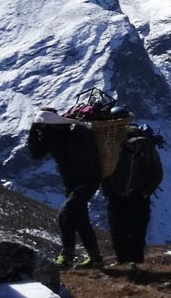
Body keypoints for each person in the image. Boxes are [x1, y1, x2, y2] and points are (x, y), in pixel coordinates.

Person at [26, 106, 104, 268]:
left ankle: (67, 255)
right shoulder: (50, 134)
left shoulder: (77, 131)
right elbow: (37, 153)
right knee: (81, 220)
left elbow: (89, 156)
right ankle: (95, 258)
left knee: (65, 216)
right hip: (72, 183)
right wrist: (34, 130)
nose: (42, 127)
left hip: (88, 181)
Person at [103, 124, 164, 267]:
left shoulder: (148, 151)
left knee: (138, 230)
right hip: (117, 197)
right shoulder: (114, 152)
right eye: (133, 143)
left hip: (138, 197)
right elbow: (105, 173)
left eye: (139, 142)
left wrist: (145, 193)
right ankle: (121, 259)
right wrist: (110, 192)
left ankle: (136, 262)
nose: (137, 145)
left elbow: (157, 174)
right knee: (117, 229)